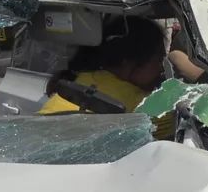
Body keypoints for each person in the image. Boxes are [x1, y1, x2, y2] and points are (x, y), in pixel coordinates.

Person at [38, 16, 173, 139]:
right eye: (158, 59)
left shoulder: (81, 77)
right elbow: (187, 117)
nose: (161, 68)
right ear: (128, 62)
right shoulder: (144, 105)